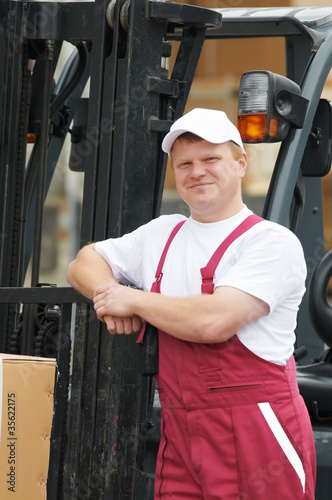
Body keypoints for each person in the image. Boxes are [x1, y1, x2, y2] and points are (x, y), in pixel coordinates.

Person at [67, 108, 316, 499]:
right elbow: (82, 263)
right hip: (181, 431)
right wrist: (108, 297)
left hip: (257, 432)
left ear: (240, 163)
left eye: (210, 159)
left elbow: (213, 323)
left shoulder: (270, 242)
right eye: (184, 163)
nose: (196, 171)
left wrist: (131, 298)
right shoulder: (162, 234)